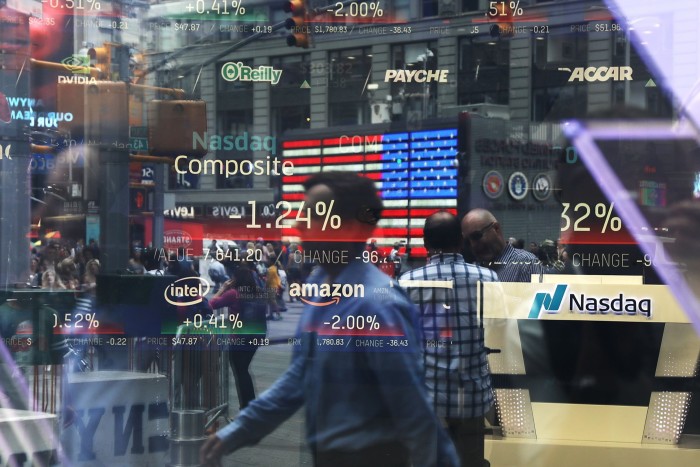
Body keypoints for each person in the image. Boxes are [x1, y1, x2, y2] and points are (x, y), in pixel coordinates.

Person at [201, 171, 459, 467]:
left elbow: (415, 414)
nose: (299, 225)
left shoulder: (377, 305)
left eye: (313, 216)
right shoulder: (320, 286)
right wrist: (236, 432)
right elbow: (299, 377)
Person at [400, 211, 498, 467]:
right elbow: (497, 329)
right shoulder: (489, 279)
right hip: (473, 399)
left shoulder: (407, 283)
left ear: (425, 244)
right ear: (460, 241)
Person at [209, 266, 267, 410]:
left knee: (240, 371)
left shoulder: (234, 293)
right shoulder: (259, 292)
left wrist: (222, 288)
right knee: (244, 370)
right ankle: (250, 405)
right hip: (257, 335)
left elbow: (211, 304)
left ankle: (247, 406)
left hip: (239, 337)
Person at [461, 208, 544, 282]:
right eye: (467, 241)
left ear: (496, 228)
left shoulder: (527, 263)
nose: (473, 245)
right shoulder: (472, 270)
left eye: (476, 236)